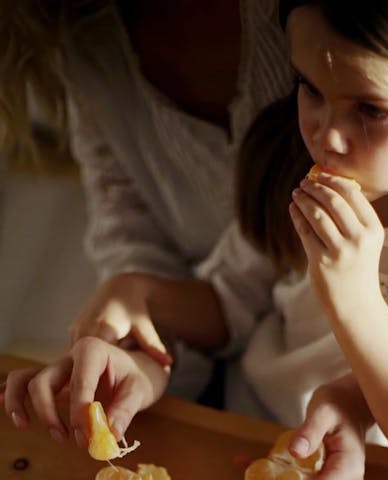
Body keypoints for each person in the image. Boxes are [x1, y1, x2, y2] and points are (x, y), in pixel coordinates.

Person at [3, 0, 388, 480]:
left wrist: (354, 302)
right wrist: (142, 303)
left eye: (371, 110)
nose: (325, 134)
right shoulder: (297, 171)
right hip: (237, 436)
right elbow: (229, 306)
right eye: (310, 88)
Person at [0, 0, 292, 395]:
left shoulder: (320, 27)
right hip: (242, 403)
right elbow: (223, 294)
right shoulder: (86, 38)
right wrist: (132, 358)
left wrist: (146, 299)